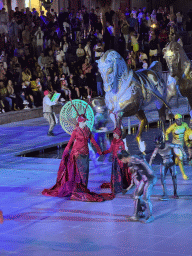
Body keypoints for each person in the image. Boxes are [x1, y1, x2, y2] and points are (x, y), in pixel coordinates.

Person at [42, 114, 113, 202]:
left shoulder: (87, 130)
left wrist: (99, 150)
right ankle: (78, 191)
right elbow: (70, 142)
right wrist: (65, 152)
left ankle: (83, 189)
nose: (85, 123)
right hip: (77, 154)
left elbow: (93, 141)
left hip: (86, 154)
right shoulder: (75, 131)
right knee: (80, 173)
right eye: (83, 121)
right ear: (79, 122)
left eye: (85, 121)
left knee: (85, 172)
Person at [118, 150, 157, 223]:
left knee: (146, 198)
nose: (121, 162)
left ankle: (150, 216)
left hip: (150, 179)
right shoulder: (131, 163)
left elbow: (143, 162)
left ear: (123, 158)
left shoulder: (133, 158)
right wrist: (128, 188)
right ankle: (136, 214)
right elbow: (134, 175)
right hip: (144, 179)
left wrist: (150, 173)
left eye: (121, 160)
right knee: (135, 195)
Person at [149, 135, 186, 200]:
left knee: (174, 177)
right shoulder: (157, 149)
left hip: (171, 163)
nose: (158, 146)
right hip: (164, 164)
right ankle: (165, 193)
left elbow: (179, 146)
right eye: (157, 144)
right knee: (162, 178)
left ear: (162, 142)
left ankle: (175, 192)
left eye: (159, 144)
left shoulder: (168, 145)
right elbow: (152, 158)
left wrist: (184, 154)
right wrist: (149, 166)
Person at [102, 128, 131, 194]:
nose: (113, 134)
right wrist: (103, 152)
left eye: (114, 133)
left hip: (120, 160)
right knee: (116, 174)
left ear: (118, 134)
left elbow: (123, 151)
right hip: (115, 159)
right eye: (113, 133)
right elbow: (110, 150)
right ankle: (116, 186)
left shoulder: (121, 142)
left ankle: (121, 186)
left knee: (120, 173)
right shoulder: (113, 141)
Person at [165, 113, 189, 180]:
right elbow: (166, 132)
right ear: (175, 120)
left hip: (182, 144)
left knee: (178, 158)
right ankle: (183, 174)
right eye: (177, 120)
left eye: (180, 119)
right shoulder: (173, 126)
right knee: (180, 158)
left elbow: (188, 131)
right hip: (176, 144)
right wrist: (167, 140)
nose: (179, 121)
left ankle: (173, 167)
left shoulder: (185, 125)